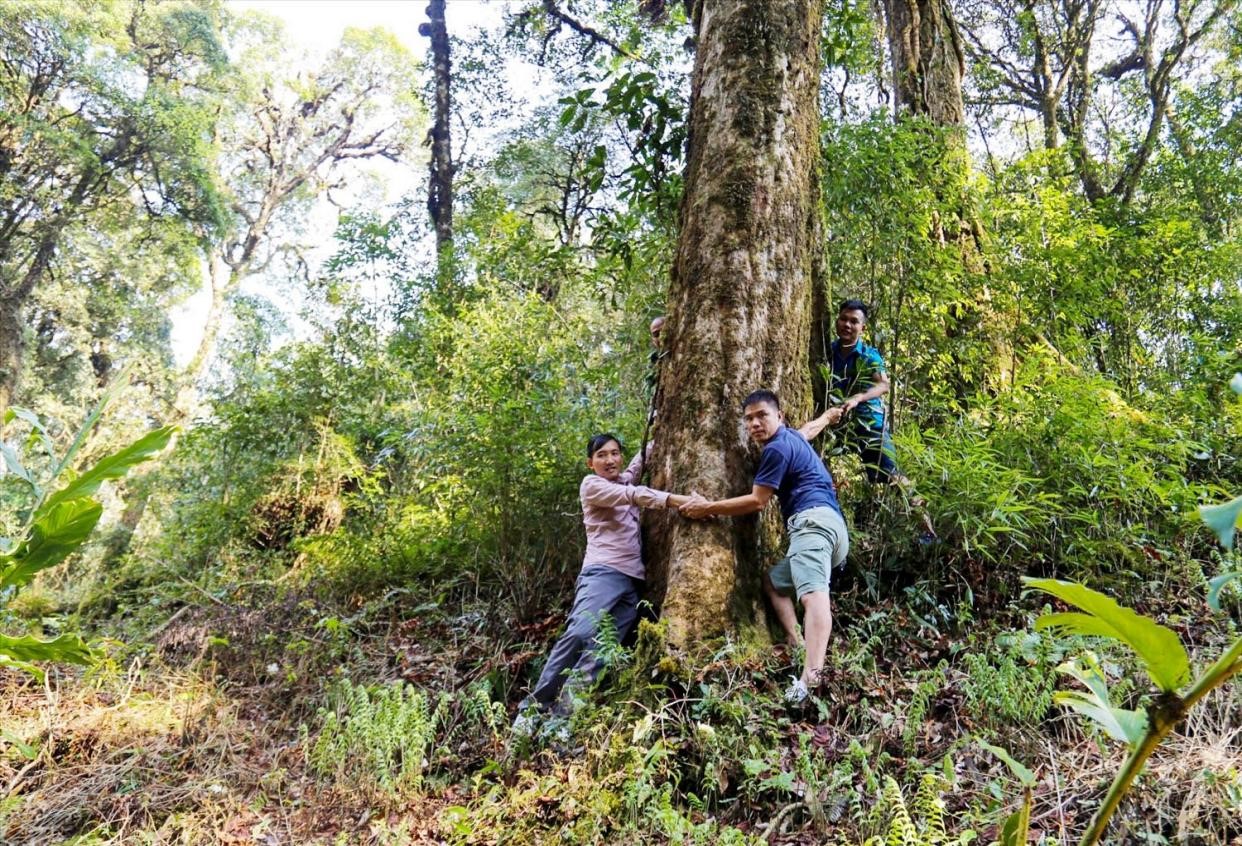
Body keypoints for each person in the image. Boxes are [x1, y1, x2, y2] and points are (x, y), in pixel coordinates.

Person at [513, 433, 690, 738]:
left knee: (601, 652)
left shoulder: (622, 479)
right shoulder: (592, 485)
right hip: (603, 573)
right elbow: (635, 495)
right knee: (580, 633)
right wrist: (678, 501)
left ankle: (563, 719)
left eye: (615, 454)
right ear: (590, 462)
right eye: (602, 455)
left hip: (633, 582)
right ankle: (533, 709)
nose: (610, 460)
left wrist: (655, 432)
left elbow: (637, 467)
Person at [680, 390, 849, 704]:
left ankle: (809, 680)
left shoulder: (776, 449)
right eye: (749, 419)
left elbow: (758, 501)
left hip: (810, 525)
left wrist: (707, 508)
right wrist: (827, 416)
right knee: (774, 582)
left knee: (814, 597)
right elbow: (810, 429)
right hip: (834, 530)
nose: (755, 423)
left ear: (779, 416)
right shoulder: (794, 439)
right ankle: (796, 640)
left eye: (762, 415)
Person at [827, 299, 935, 537]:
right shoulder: (829, 350)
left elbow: (883, 385)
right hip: (838, 426)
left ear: (862, 328)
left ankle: (926, 530)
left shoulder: (868, 356)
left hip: (870, 425)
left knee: (892, 477)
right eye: (843, 319)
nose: (847, 325)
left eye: (854, 321)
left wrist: (857, 398)